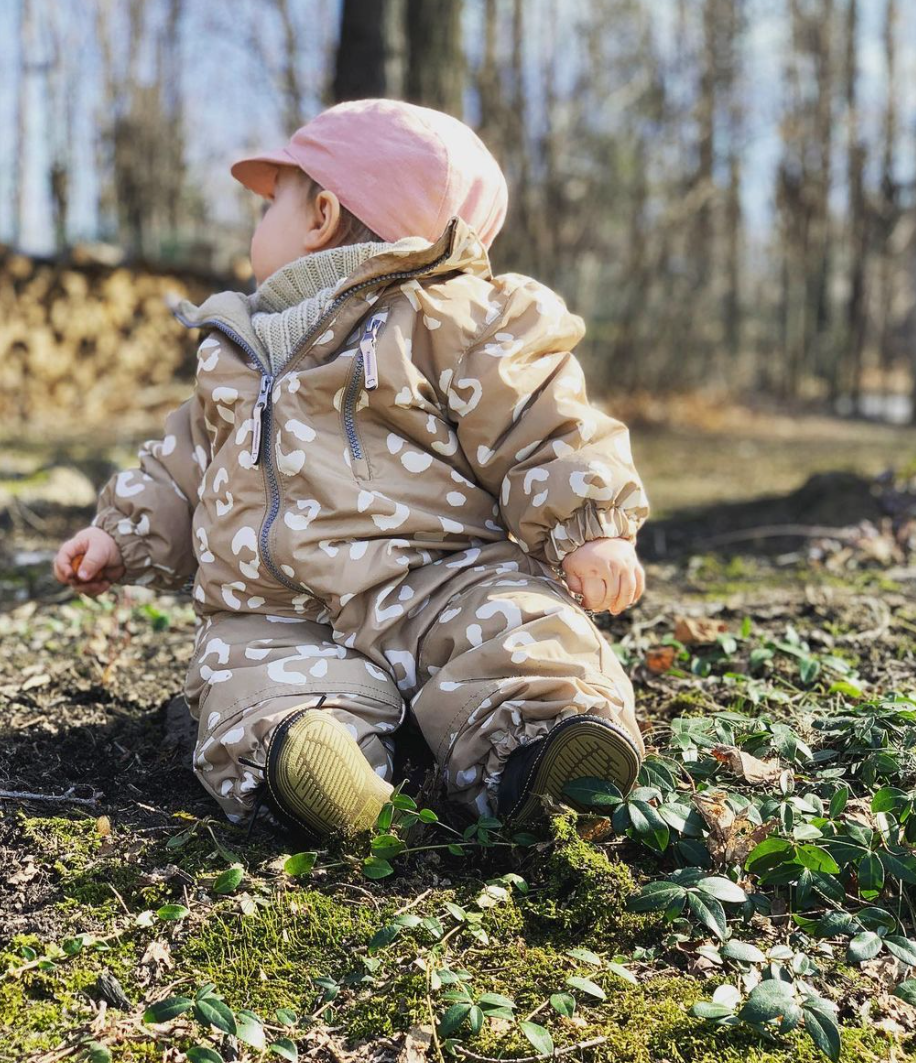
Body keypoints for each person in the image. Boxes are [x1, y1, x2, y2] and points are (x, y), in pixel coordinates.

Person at [53, 98, 651, 838]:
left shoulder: (452, 315)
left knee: (518, 631)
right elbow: (186, 459)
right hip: (278, 609)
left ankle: (541, 751)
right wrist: (123, 532)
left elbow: (540, 414)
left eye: (271, 200)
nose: (256, 220)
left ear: (321, 215)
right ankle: (314, 768)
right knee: (249, 682)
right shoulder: (238, 344)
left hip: (440, 577)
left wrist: (587, 522)